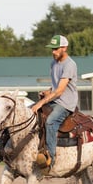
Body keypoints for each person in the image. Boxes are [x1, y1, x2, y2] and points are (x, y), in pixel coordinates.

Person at [30, 34, 78, 172]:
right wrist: (47, 92)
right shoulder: (53, 63)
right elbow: (55, 87)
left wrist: (41, 103)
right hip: (55, 99)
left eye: (56, 49)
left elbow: (60, 91)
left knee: (50, 121)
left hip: (65, 103)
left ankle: (50, 159)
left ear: (64, 48)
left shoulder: (70, 65)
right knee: (30, 113)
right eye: (52, 49)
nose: (53, 52)